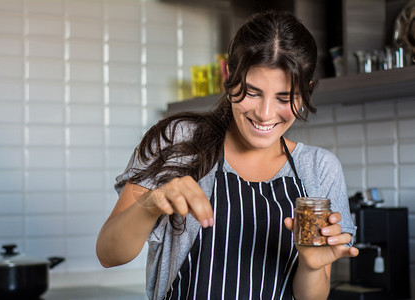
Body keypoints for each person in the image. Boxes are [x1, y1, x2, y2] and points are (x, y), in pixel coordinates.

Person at [96, 10, 358, 300]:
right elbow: (109, 254)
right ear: (229, 77)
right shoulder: (178, 141)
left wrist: (310, 266)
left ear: (306, 91)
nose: (265, 113)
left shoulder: (319, 168)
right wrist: (153, 202)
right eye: (252, 92)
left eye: (284, 98)